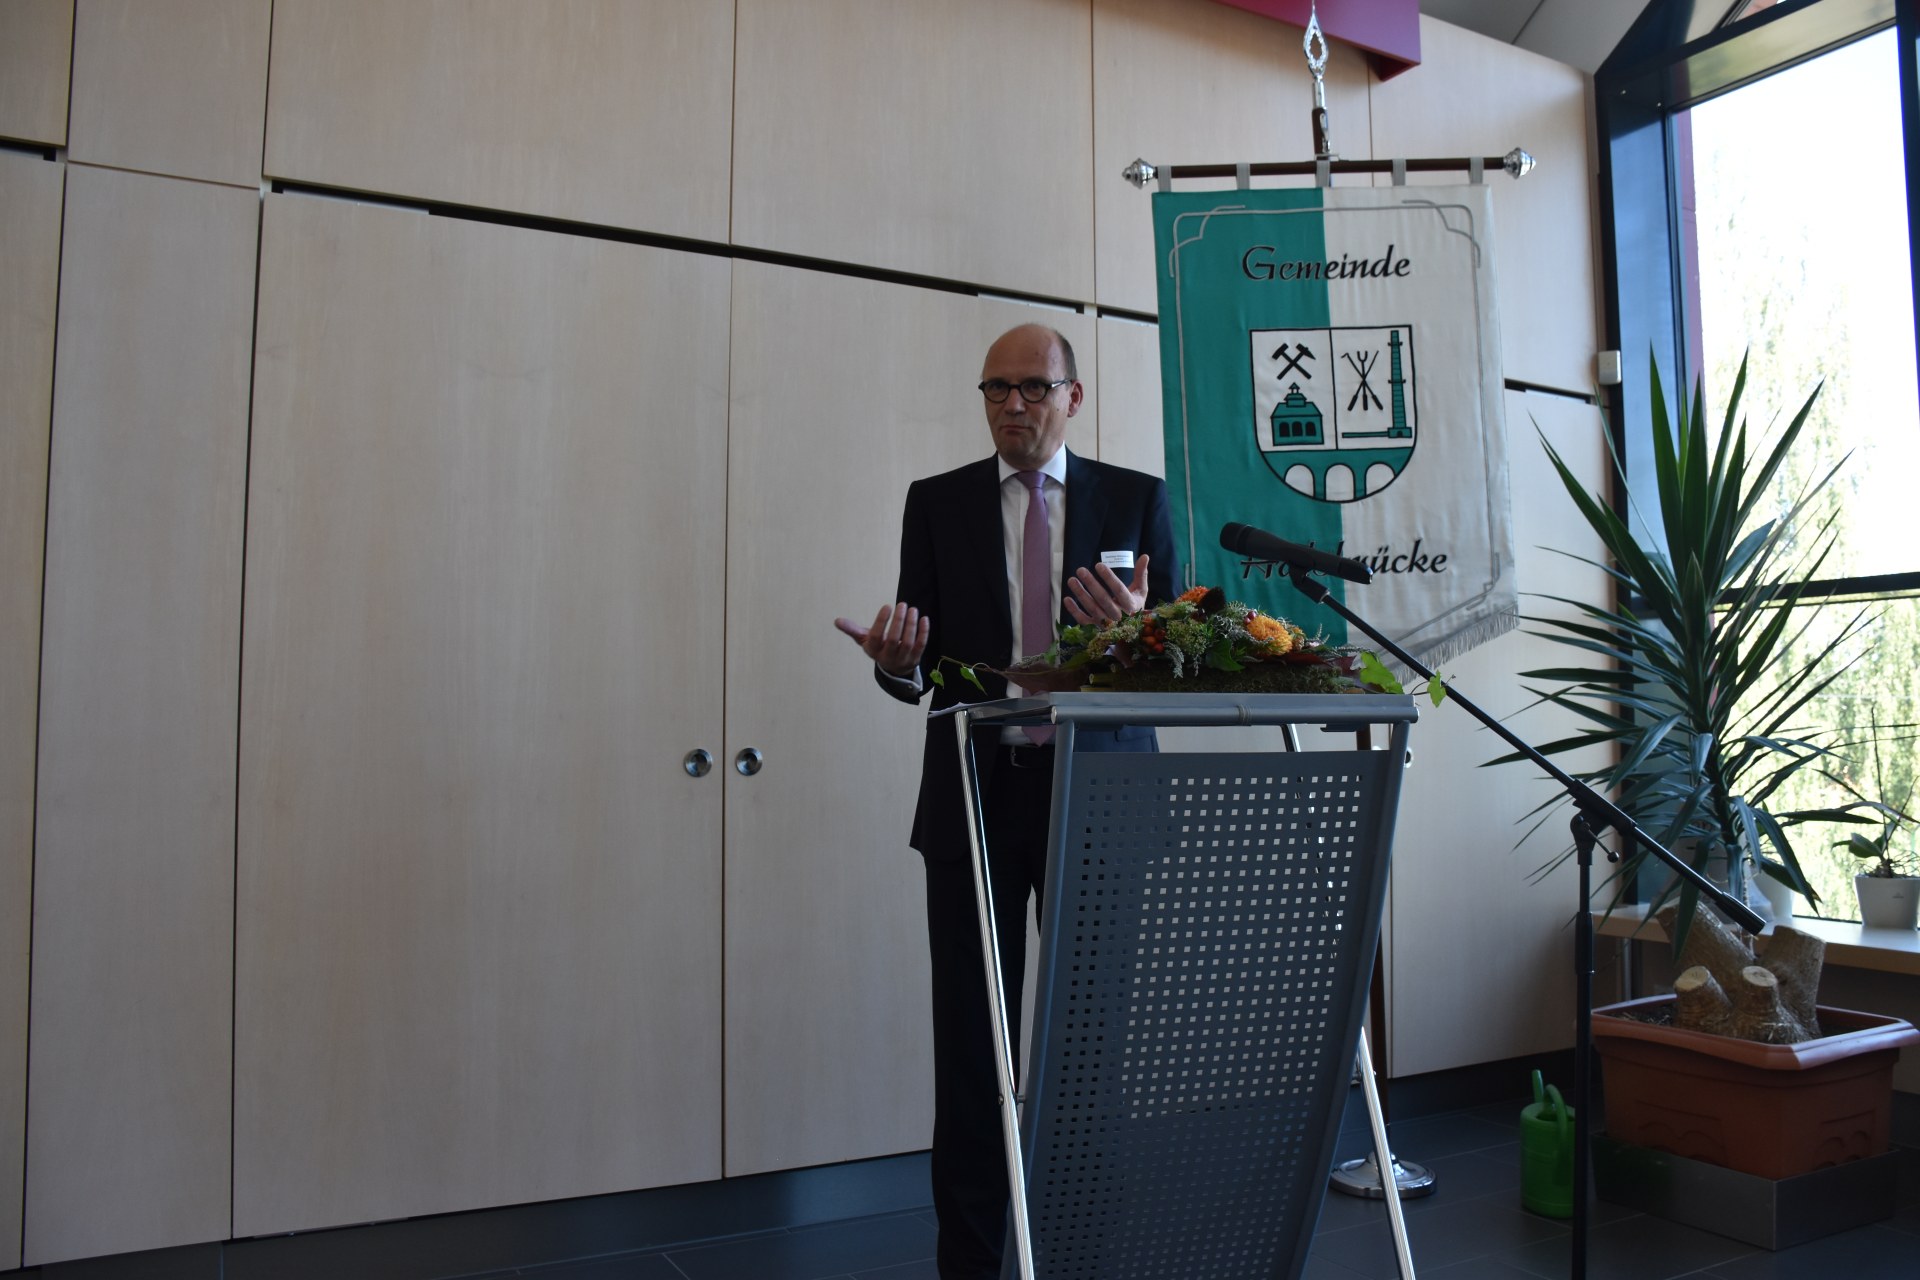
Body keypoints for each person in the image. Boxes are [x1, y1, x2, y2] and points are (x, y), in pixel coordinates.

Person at [834, 323, 1179, 1279]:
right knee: (973, 1048)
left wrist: (1142, 635)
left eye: (1033, 387)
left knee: (1091, 1045)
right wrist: (896, 665)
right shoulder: (937, 502)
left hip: (1099, 806)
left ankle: (1081, 1250)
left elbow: (1180, 661)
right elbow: (922, 663)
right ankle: (973, 1259)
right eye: (996, 388)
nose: (1013, 405)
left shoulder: (1138, 499)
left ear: (1074, 397)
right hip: (975, 801)